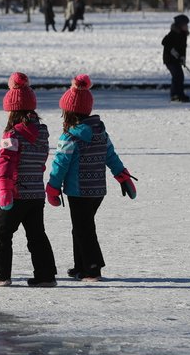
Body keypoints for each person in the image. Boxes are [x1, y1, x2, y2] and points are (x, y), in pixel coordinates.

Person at [45, 75, 137, 282]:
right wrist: (121, 175)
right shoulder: (100, 133)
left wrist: (52, 187)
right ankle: (81, 265)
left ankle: (92, 268)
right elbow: (110, 156)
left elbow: (60, 164)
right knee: (81, 226)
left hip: (78, 191)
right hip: (97, 190)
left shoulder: (70, 137)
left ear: (68, 112)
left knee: (83, 228)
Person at [0, 73, 57, 287]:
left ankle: (0, 273)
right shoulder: (42, 132)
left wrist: (5, 189)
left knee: (2, 232)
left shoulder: (13, 135)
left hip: (16, 192)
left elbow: (6, 163)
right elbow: (41, 160)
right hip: (36, 193)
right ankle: (46, 275)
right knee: (37, 235)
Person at [162, 14, 190, 103]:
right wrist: (173, 51)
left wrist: (183, 58)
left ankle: (180, 94)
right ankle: (174, 94)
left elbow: (183, 48)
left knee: (180, 76)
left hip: (177, 60)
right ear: (179, 25)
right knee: (177, 76)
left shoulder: (183, 35)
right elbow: (164, 42)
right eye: (184, 25)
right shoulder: (173, 33)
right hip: (169, 59)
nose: (186, 26)